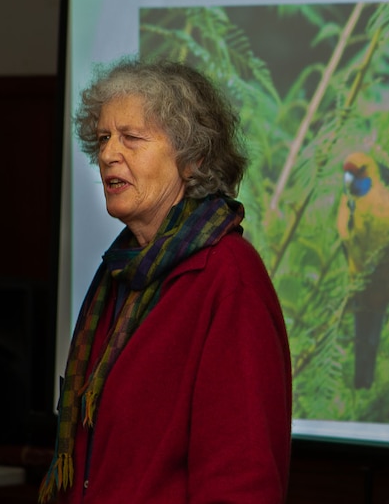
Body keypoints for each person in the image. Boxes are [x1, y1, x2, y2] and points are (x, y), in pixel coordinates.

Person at [39, 58, 292, 504]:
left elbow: (241, 477)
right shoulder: (119, 271)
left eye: (131, 138)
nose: (107, 154)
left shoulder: (228, 276)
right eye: (102, 138)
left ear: (192, 159)